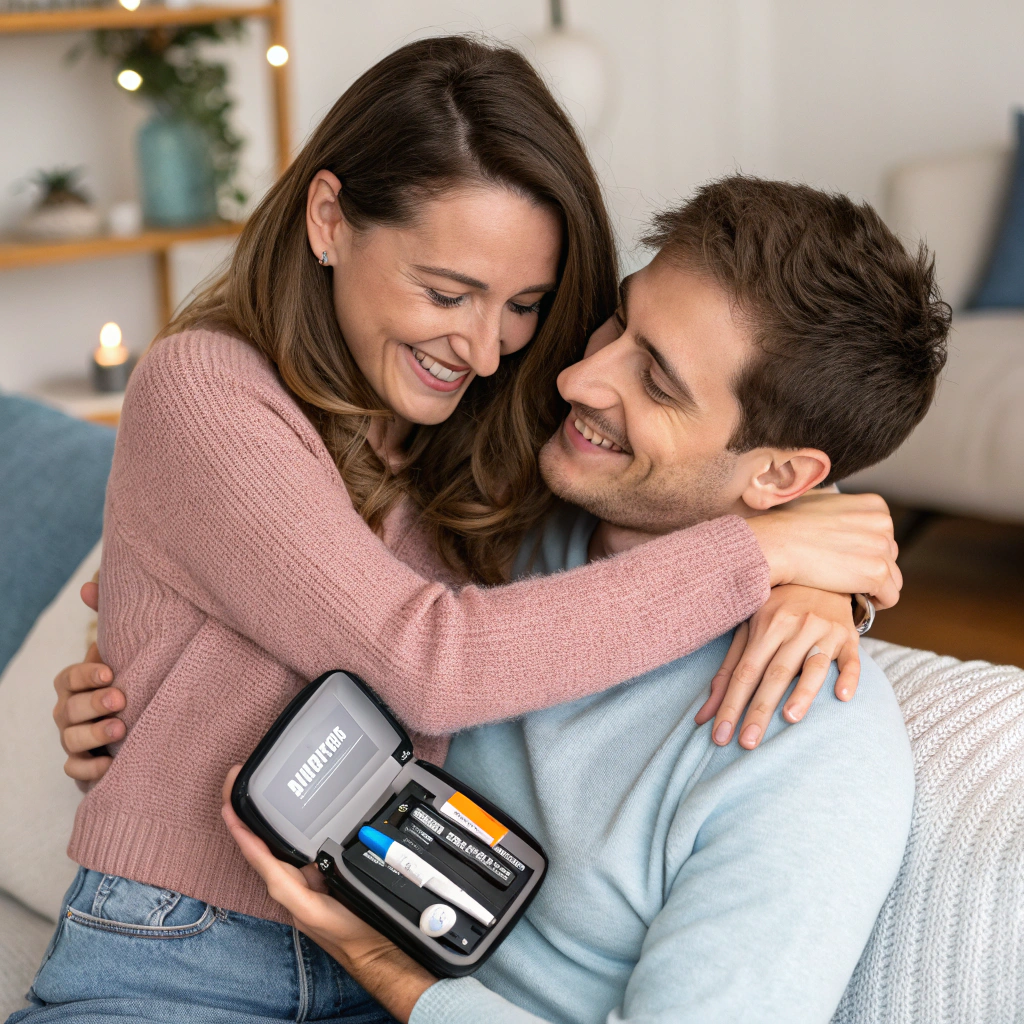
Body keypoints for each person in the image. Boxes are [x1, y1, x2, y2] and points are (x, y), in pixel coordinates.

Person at [21, 38, 902, 1024]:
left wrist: (817, 575)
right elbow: (425, 658)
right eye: (447, 292)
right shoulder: (208, 388)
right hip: (182, 950)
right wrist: (765, 551)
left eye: (525, 306)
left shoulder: (495, 431)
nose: (498, 351)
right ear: (328, 219)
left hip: (384, 959)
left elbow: (653, 520)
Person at [215, 177, 949, 1023]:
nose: (579, 379)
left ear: (781, 476)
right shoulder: (499, 506)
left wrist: (390, 972)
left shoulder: (808, 747)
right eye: (619, 322)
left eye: (659, 383)